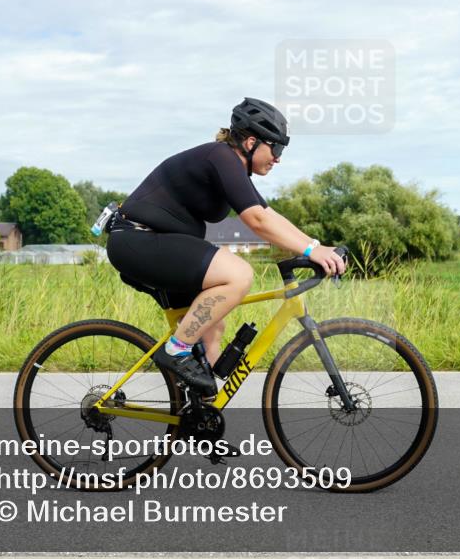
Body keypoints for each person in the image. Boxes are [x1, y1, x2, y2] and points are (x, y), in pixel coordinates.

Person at [106, 98, 347, 396]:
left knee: (213, 327)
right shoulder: (221, 157)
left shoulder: (231, 166)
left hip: (150, 241)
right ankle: (176, 350)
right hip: (137, 239)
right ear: (250, 142)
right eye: (277, 148)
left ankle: (199, 412)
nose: (278, 158)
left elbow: (267, 213)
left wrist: (316, 246)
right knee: (238, 274)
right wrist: (313, 252)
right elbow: (257, 221)